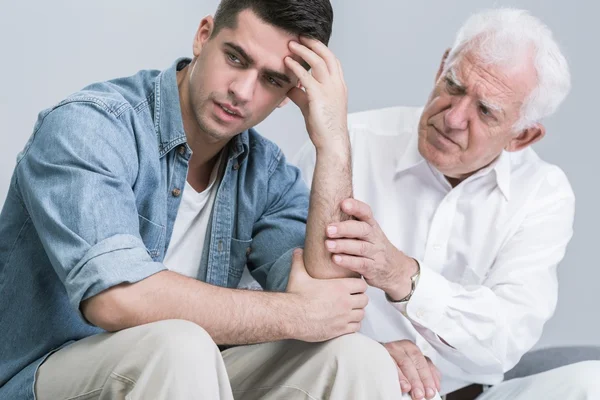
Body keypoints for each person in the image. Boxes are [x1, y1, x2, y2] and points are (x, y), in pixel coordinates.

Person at [0, 1, 404, 399]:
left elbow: (329, 302)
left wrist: (333, 141)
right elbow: (116, 298)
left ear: (289, 94)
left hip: (187, 377)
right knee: (179, 346)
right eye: (235, 57)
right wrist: (299, 313)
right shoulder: (91, 126)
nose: (242, 92)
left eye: (272, 80)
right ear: (203, 36)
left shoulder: (267, 174)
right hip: (43, 374)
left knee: (357, 358)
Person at [296, 8, 600, 400]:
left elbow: (503, 341)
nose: (454, 118)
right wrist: (364, 354)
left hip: (474, 394)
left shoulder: (543, 193)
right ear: (442, 67)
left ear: (521, 137)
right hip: (366, 384)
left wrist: (404, 276)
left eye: (486, 111)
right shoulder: (349, 141)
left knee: (591, 384)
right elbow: (278, 284)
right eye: (454, 86)